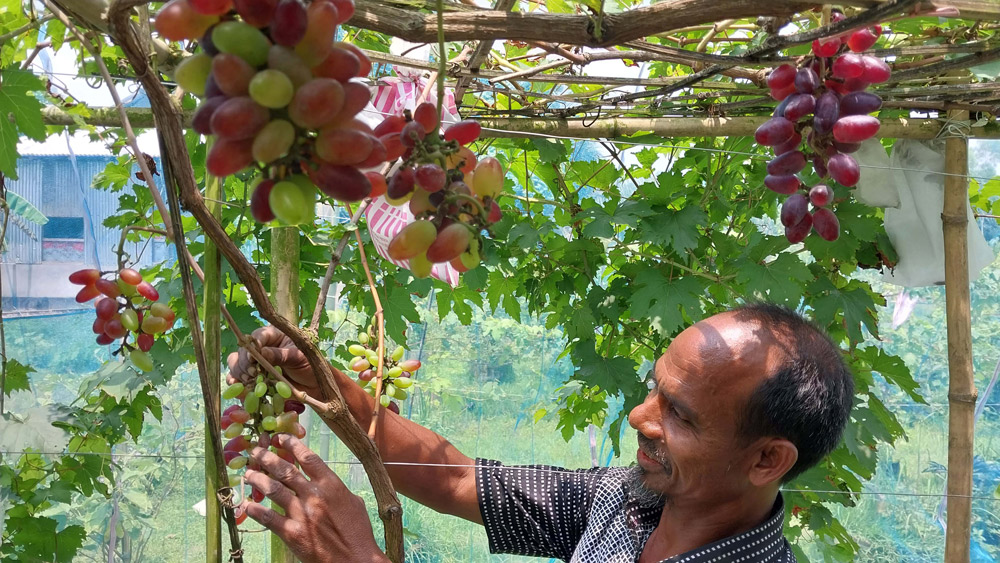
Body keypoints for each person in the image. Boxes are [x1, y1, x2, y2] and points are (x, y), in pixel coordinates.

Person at [227, 303, 854, 562]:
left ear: (767, 459)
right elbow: (457, 477)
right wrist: (328, 383)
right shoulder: (624, 503)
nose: (640, 417)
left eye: (679, 414)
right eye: (652, 389)